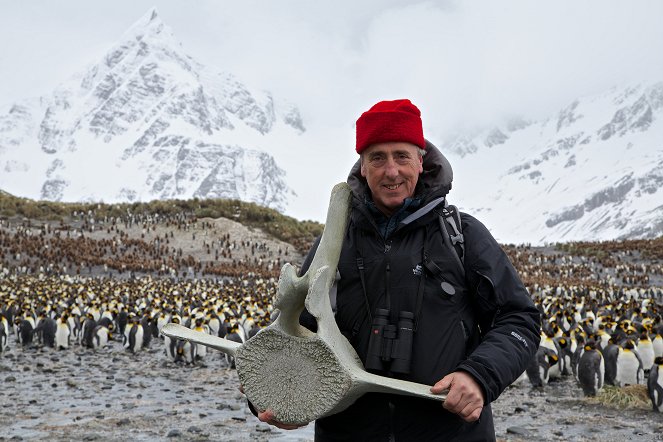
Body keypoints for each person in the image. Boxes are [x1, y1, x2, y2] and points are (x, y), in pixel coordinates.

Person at [254, 99, 541, 441]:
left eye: (401, 156)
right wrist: (275, 397)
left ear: (421, 161)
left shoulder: (462, 236)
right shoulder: (333, 244)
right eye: (378, 158)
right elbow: (294, 334)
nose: (391, 171)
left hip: (451, 433)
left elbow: (519, 319)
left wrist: (479, 376)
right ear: (363, 166)